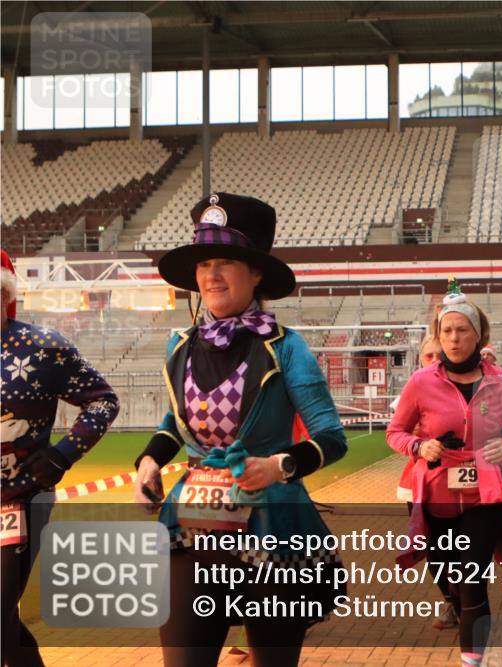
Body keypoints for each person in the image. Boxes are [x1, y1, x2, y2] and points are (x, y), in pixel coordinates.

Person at [132, 193, 348, 666]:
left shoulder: (286, 348)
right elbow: (175, 425)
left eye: (226, 261)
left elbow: (331, 438)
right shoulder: (179, 345)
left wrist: (280, 466)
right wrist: (149, 460)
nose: (211, 274)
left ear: (256, 274)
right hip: (192, 527)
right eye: (204, 262)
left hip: (274, 531)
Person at [387, 279, 502, 667]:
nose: (453, 339)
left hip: (483, 492)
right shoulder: (421, 382)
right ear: (437, 337)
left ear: (479, 334)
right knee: (444, 573)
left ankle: (472, 660)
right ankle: (455, 605)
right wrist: (420, 447)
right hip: (435, 492)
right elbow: (395, 433)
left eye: (462, 330)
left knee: (472, 578)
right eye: (446, 332)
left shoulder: (501, 380)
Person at [2, 249, 120, 667]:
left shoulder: (43, 347)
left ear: (5, 295)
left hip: (20, 502)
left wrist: (62, 454)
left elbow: (103, 402)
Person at [391, 332, 458, 630]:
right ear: (420, 359)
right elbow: (396, 433)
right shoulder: (413, 388)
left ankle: (465, 600)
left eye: (438, 355)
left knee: (463, 547)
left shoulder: (460, 389)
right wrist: (418, 444)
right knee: (433, 548)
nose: (434, 360)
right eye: (428, 356)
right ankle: (451, 600)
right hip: (419, 479)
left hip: (461, 480)